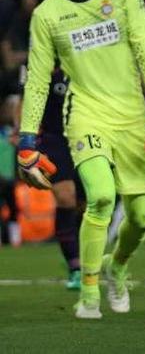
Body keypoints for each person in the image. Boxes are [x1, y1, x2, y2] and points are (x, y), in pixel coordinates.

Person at [17, 0, 145, 319]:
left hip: (131, 115)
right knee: (101, 196)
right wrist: (26, 141)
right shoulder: (46, 15)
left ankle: (117, 267)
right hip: (84, 115)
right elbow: (38, 81)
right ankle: (88, 292)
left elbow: (144, 45)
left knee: (141, 219)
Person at [12, 66, 82, 290]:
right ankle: (75, 268)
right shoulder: (40, 58)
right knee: (66, 197)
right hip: (53, 139)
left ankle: (76, 249)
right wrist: (23, 135)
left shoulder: (84, 55)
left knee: (88, 202)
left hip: (86, 133)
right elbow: (25, 100)